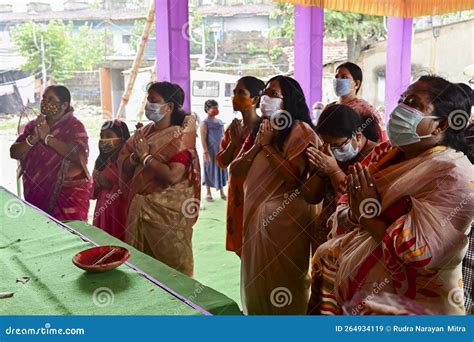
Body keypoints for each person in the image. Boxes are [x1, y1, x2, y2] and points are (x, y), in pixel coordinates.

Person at [308, 76, 474, 315]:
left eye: (414, 104)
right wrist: (358, 212)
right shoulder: (388, 151)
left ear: (442, 124)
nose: (401, 108)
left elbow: (419, 254)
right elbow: (347, 200)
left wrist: (366, 214)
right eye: (402, 99)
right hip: (359, 297)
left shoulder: (453, 175)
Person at [231, 75, 320, 315]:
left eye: (273, 94)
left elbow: (295, 180)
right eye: (265, 93)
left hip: (285, 222)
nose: (265, 98)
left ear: (288, 101)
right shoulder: (262, 127)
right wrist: (260, 145)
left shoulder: (301, 131)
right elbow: (235, 168)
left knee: (284, 282)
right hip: (256, 219)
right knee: (257, 281)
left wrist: (268, 147)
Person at [118, 81, 201, 277]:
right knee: (142, 273)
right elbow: (123, 162)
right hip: (139, 208)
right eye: (148, 100)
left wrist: (146, 157)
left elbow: (173, 175)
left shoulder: (180, 136)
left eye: (153, 101)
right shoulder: (143, 133)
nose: (148, 105)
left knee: (173, 272)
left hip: (166, 215)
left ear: (169, 107)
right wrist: (135, 157)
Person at [300, 104, 382, 252]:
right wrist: (321, 171)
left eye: (337, 145)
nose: (331, 150)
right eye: (327, 144)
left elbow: (356, 203)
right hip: (325, 238)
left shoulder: (377, 156)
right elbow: (310, 197)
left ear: (357, 136)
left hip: (354, 242)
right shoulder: (329, 153)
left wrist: (333, 170)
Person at [10, 85, 91, 221]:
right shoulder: (34, 125)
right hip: (35, 193)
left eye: (51, 99)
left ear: (64, 105)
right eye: (44, 98)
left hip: (66, 195)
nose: (45, 102)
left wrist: (47, 138)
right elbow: (14, 152)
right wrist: (33, 139)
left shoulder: (74, 126)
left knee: (68, 233)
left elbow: (78, 154)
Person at [216, 76, 265, 257]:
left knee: (256, 246)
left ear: (256, 99)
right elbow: (222, 161)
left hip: (255, 191)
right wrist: (233, 143)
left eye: (241, 93)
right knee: (241, 246)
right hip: (236, 193)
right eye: (234, 92)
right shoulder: (232, 128)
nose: (235, 97)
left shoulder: (263, 128)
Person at [92, 119, 130, 241]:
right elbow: (93, 193)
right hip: (102, 210)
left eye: (109, 136)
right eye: (102, 136)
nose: (104, 140)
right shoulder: (101, 162)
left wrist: (111, 185)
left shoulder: (127, 162)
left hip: (120, 212)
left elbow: (131, 189)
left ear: (122, 139)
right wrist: (96, 182)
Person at [333, 62, 387, 141]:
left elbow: (378, 140)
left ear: (357, 84)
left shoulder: (365, 110)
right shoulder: (330, 107)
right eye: (336, 77)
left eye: (344, 77)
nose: (338, 80)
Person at [200, 99, 228, 201]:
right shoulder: (204, 123)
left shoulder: (220, 122)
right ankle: (208, 192)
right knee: (209, 170)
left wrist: (225, 148)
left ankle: (221, 192)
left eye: (217, 107)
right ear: (207, 109)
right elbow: (203, 139)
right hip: (210, 151)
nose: (216, 110)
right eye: (214, 108)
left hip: (220, 150)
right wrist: (205, 152)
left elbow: (224, 136)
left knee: (220, 169)